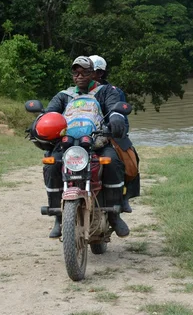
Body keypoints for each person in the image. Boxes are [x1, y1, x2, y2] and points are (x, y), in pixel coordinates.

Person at [42, 56, 129, 239]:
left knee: (113, 161)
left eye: (85, 72)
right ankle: (58, 217)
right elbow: (50, 112)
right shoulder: (64, 95)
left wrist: (115, 117)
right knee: (51, 164)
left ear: (93, 74)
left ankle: (114, 215)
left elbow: (114, 107)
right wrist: (40, 123)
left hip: (97, 143)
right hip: (68, 144)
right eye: (76, 72)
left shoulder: (105, 91)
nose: (80, 76)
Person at [89, 55, 140, 214]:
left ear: (100, 73)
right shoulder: (74, 92)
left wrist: (116, 126)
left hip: (108, 134)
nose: (87, 75)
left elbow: (121, 116)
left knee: (131, 159)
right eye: (85, 71)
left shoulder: (113, 92)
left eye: (93, 71)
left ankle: (124, 197)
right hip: (83, 135)